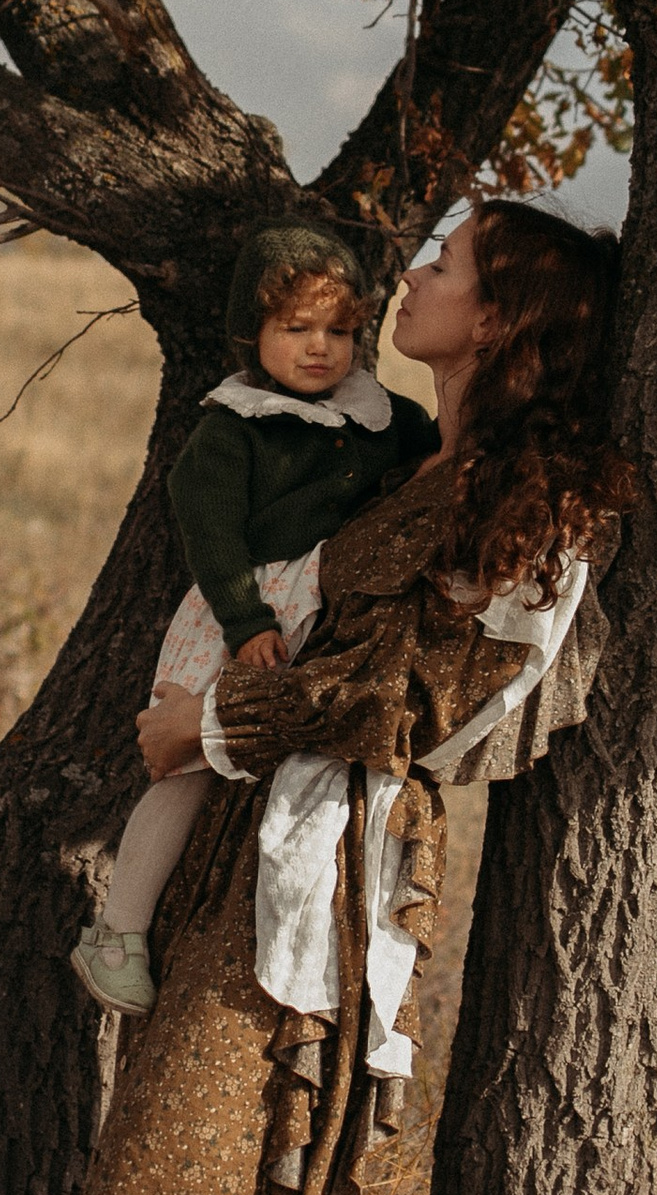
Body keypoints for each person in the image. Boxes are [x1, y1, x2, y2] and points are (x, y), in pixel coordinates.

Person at [0, 202, 633, 1195]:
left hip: (329, 875)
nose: (419, 277)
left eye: (449, 266)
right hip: (247, 850)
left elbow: (415, 696)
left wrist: (205, 731)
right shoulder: (394, 458)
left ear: (499, 322)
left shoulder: (536, 511)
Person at [70, 221, 436, 1018]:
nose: (320, 348)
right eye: (296, 329)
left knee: (279, 759)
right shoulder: (231, 430)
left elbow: (434, 459)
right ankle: (118, 931)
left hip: (319, 614)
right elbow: (209, 531)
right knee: (188, 761)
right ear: (253, 333)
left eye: (339, 331)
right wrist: (245, 622)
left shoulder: (384, 416)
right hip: (246, 607)